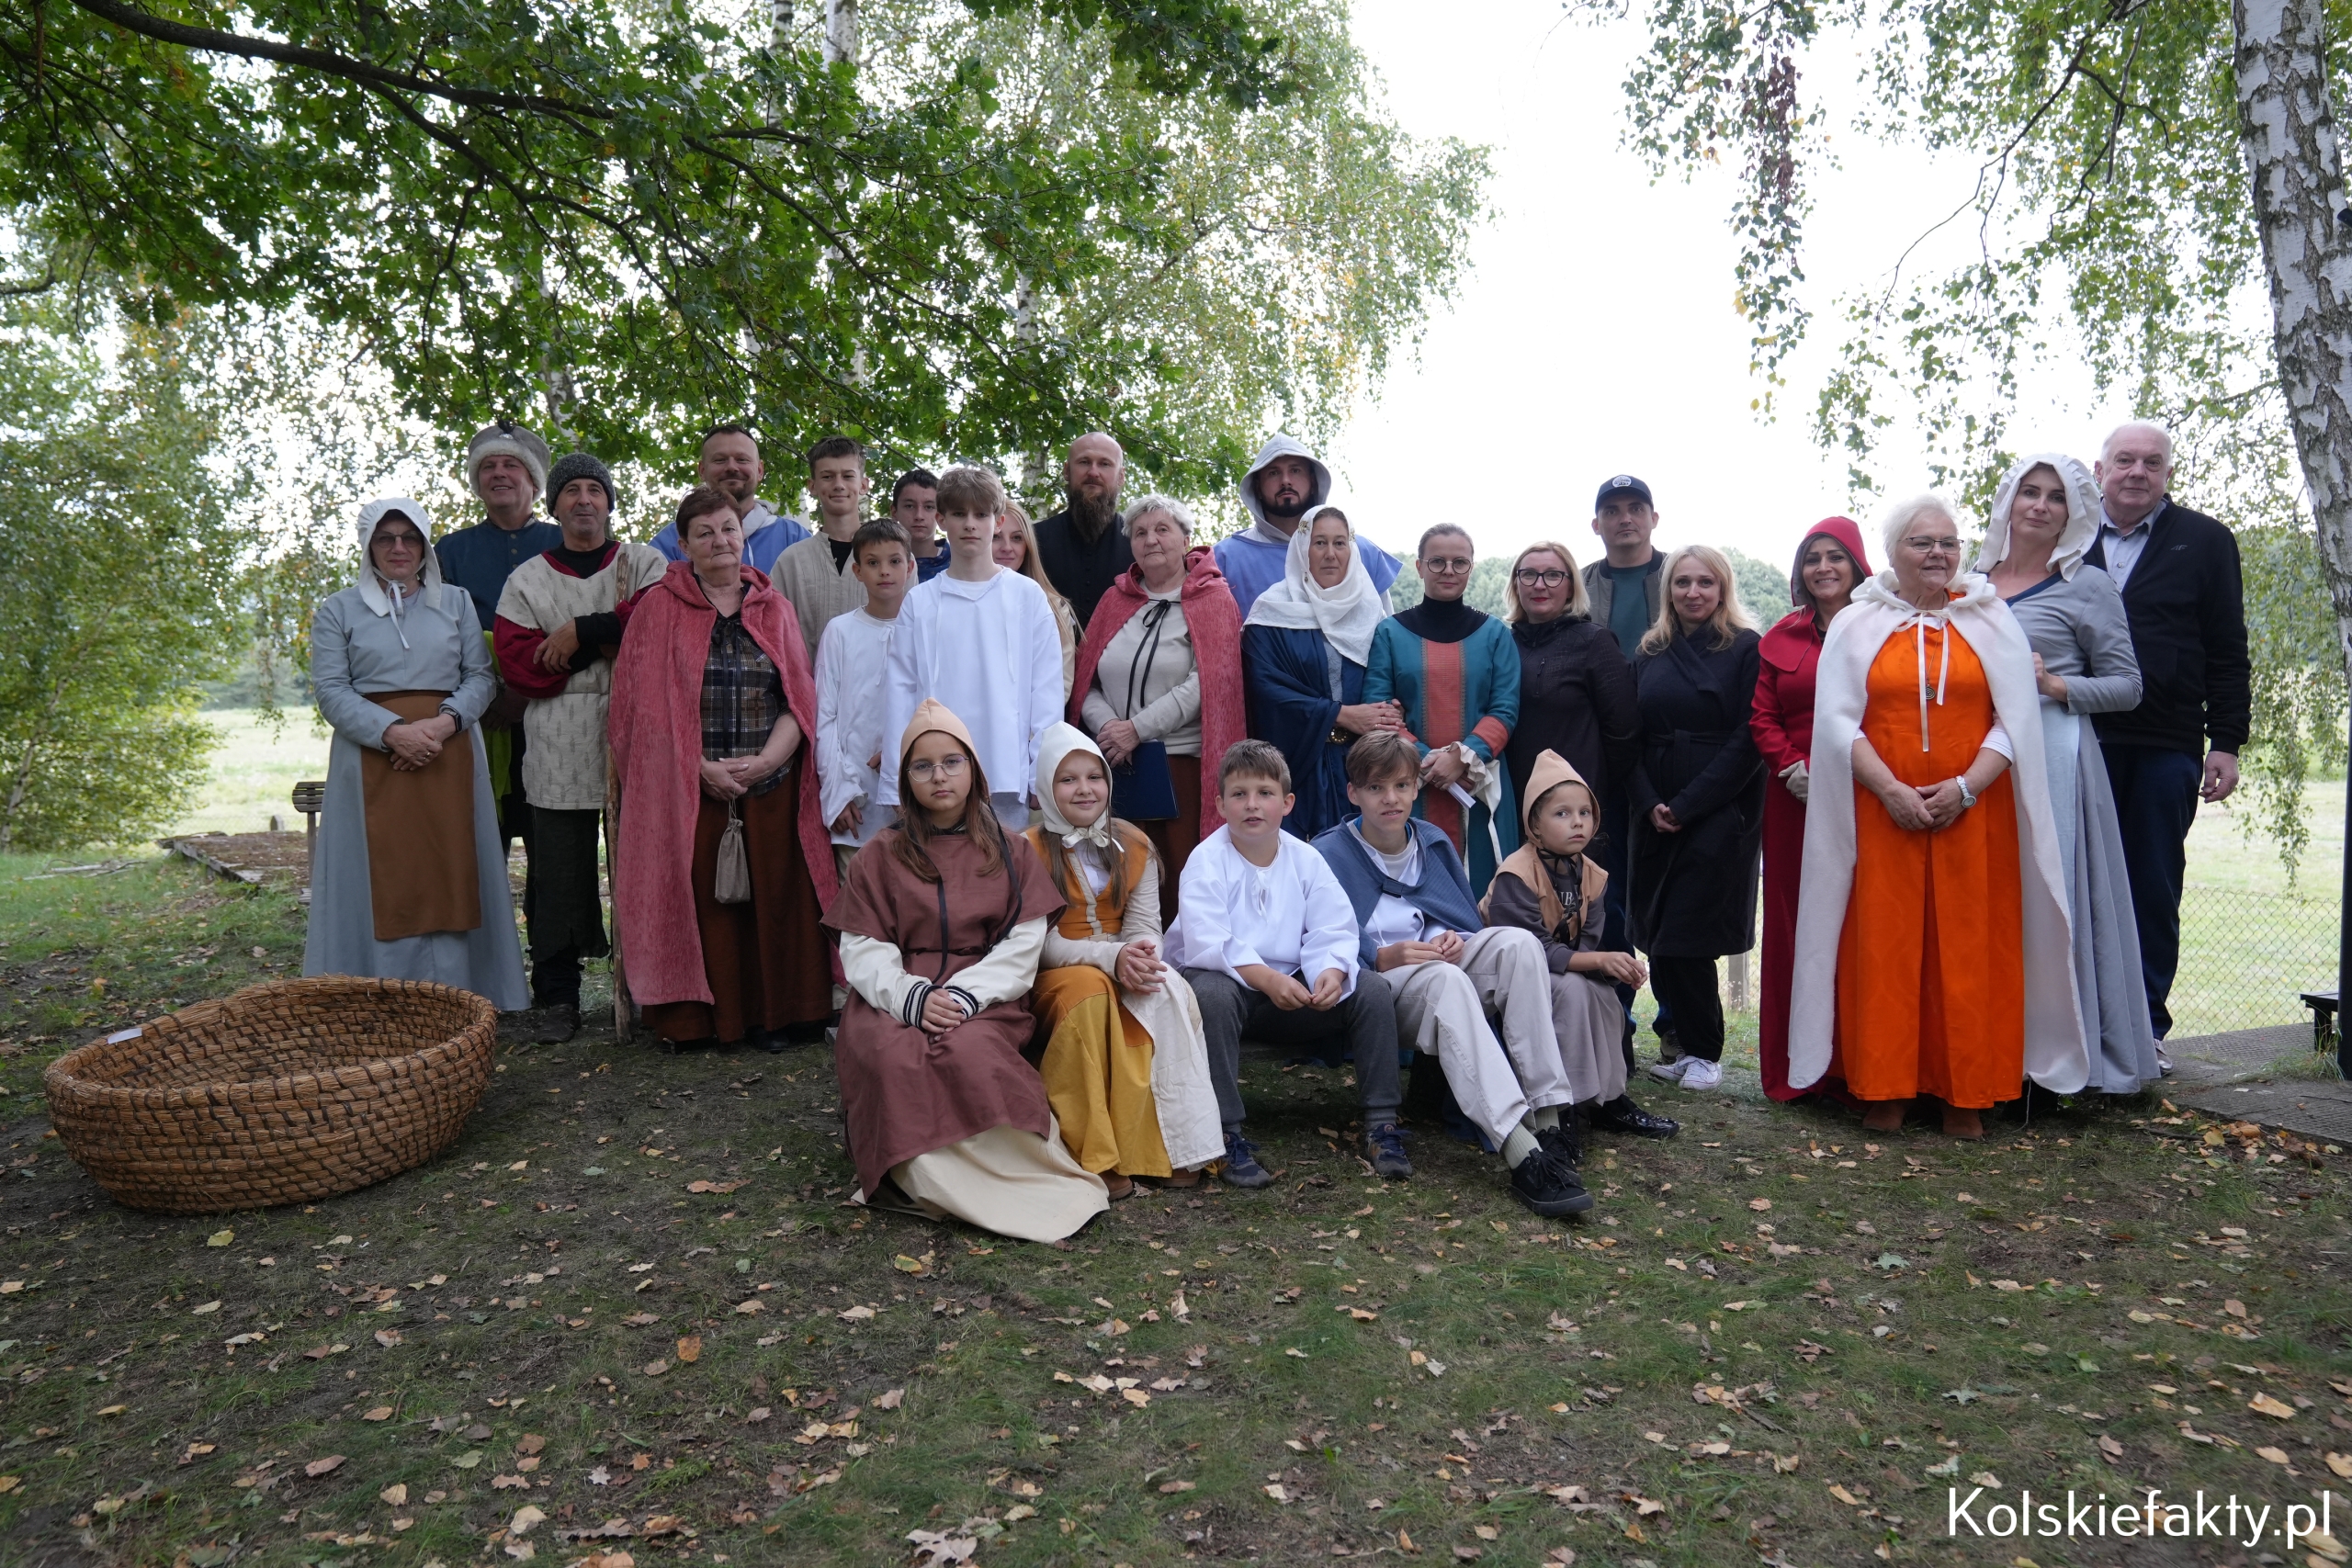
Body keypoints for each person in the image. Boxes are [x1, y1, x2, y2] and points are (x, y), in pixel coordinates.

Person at [1791, 494, 2086, 1137]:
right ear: (1893, 552)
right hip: (1881, 811)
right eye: (1922, 542)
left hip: (1975, 814)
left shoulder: (1991, 619)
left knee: (1971, 945)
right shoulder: (1858, 623)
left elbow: (2017, 720)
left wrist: (1966, 788)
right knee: (1885, 944)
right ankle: (1886, 1087)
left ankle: (1966, 1092)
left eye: (1948, 542)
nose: (1938, 553)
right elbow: (1837, 724)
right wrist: (1891, 790)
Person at [825, 699, 1110, 1240]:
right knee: (892, 1055)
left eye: (951, 762)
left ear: (973, 769)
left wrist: (963, 997)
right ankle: (922, 1181)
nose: (939, 776)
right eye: (923, 766)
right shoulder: (879, 855)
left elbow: (1023, 945)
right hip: (894, 994)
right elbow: (862, 946)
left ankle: (1011, 1184)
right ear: (905, 780)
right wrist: (911, 998)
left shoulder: (1011, 852)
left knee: (970, 1052)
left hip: (984, 995)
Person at [1314, 732, 1595, 1216]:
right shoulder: (1329, 854)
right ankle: (1520, 1150)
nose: (1390, 798)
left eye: (1401, 785)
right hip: (1380, 989)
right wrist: (1379, 956)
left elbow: (1457, 914)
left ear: (1415, 789)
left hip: (1441, 966)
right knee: (1445, 982)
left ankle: (1549, 1122)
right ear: (1353, 793)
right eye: (1376, 787)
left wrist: (1452, 937)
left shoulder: (1431, 840)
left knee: (1518, 944)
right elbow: (1318, 938)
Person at [609, 488, 838, 1052]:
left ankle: (777, 1017)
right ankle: (701, 1022)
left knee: (776, 899)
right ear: (684, 545)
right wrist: (698, 768)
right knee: (702, 904)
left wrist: (769, 760)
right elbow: (640, 710)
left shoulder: (774, 608)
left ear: (743, 536)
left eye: (729, 529)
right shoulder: (658, 609)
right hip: (689, 789)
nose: (720, 541)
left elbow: (798, 699)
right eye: (704, 533)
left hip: (771, 783)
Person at [1979, 454, 2158, 1095]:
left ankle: (2052, 1057)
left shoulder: (2089, 586)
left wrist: (2053, 684)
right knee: (1983, 901)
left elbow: (2128, 686)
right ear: (2008, 502)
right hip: (1971, 761)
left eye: (2056, 497)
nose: (2040, 505)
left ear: (2073, 513)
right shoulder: (1970, 582)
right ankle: (1979, 1047)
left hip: (2053, 756)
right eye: (2029, 492)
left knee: (2048, 904)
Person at [305, 499, 528, 1010]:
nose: (399, 547)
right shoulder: (338, 609)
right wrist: (391, 733)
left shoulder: (456, 603)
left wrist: (442, 725)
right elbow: (331, 690)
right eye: (386, 538)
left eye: (410, 537)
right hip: (370, 760)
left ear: (426, 545)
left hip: (450, 754)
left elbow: (479, 678)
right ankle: (380, 999)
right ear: (369, 547)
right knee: (383, 877)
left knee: (452, 871)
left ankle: (465, 998)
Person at [1166, 739, 1410, 1188]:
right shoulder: (1206, 860)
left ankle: (1382, 1123)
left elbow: (1332, 927)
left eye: (1265, 793)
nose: (1252, 804)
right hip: (1233, 993)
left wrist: (1329, 974)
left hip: (1294, 994)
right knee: (1211, 992)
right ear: (1220, 804)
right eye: (1239, 794)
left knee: (1371, 989)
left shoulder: (1306, 859)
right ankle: (1224, 1133)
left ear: (1287, 802)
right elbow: (1207, 940)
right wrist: (1267, 979)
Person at [2084, 421, 2252, 1050]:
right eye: (2124, 460)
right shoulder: (2067, 539)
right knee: (2073, 884)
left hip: (2166, 743)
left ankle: (2144, 1031)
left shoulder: (2205, 541)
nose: (2137, 472)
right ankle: (2073, 1032)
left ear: (2168, 474)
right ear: (2099, 471)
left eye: (2152, 462)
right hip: (2077, 737)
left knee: (2151, 886)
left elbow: (2227, 649)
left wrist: (2226, 740)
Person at [492, 451, 667, 1036]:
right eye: (572, 491)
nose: (584, 500)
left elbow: (658, 631)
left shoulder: (643, 564)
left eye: (595, 489)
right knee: (558, 872)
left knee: (642, 865)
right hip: (556, 737)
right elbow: (520, 664)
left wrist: (577, 632)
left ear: (609, 502)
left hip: (636, 731)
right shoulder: (528, 580)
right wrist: (609, 639)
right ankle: (559, 995)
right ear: (555, 505)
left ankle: (647, 989)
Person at [1023, 724, 1223, 1198]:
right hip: (1055, 975)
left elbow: (1145, 924)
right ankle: (1093, 1153)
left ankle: (1172, 1148)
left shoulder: (1132, 842)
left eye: (1094, 776)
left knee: (1165, 986)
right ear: (1046, 787)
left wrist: (1141, 956)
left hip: (1120, 959)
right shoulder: (1027, 850)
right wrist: (1110, 958)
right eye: (1068, 779)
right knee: (1090, 992)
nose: (1084, 789)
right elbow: (1039, 945)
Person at [1483, 750, 1679, 1139]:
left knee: (1604, 996)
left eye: (1585, 812)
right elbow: (1530, 949)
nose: (1577, 822)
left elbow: (1584, 945)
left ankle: (1609, 1100)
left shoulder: (1593, 876)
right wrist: (1598, 961)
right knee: (1573, 991)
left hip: (1556, 969)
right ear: (1534, 826)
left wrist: (1609, 967)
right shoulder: (1515, 875)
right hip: (1510, 974)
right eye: (1562, 813)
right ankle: (1565, 1106)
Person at [1628, 546, 1765, 1095]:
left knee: (1690, 929)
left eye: (1705, 582)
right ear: (1668, 591)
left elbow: (1750, 737)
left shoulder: (1746, 649)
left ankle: (1705, 1051)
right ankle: (1686, 1046)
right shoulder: (1650, 651)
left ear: (1722, 588)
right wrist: (1647, 801)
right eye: (1682, 582)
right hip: (1654, 806)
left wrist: (1688, 805)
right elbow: (1629, 735)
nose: (1693, 592)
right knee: (1659, 931)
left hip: (1719, 807)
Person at [1070, 495, 1248, 911]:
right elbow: (1086, 679)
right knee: (1117, 880)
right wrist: (1110, 728)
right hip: (1115, 764)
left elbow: (1208, 683)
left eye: (1162, 530)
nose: (1150, 540)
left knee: (1177, 884)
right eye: (1140, 532)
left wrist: (1136, 729)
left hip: (1179, 769)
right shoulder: (1115, 600)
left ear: (1186, 540)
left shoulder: (1213, 599)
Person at [1749, 517, 1872, 1102]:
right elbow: (1762, 717)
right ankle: (1799, 1068)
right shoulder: (1783, 635)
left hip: (1869, 793)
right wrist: (1793, 768)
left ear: (1858, 564)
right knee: (1796, 923)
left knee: (1861, 922)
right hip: (1793, 797)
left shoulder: (1884, 625)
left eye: (1835, 557)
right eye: (1812, 558)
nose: (1823, 568)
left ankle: (1860, 1064)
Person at [879, 465, 1063, 830]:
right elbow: (899, 695)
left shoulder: (1026, 596)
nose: (970, 525)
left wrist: (1041, 773)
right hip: (936, 777)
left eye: (981, 514)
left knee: (1006, 861)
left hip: (1005, 772)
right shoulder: (921, 602)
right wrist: (895, 780)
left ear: (998, 521)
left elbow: (1046, 691)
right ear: (942, 519)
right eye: (959, 514)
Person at [1363, 525, 1521, 889]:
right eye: (1437, 562)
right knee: (1413, 892)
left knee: (1484, 892)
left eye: (1459, 562)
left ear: (1471, 568)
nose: (1448, 570)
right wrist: (1429, 760)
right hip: (1407, 783)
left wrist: (1463, 757)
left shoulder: (1496, 634)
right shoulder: (1390, 633)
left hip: (1479, 782)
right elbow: (1378, 709)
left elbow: (1505, 708)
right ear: (1419, 567)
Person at [435, 421, 560, 863]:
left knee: (554, 849)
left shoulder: (565, 542)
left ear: (534, 482)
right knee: (481, 849)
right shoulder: (450, 550)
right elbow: (439, 633)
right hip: (478, 718)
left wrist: (526, 695)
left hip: (555, 715)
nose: (499, 473)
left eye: (511, 465)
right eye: (489, 467)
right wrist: (487, 697)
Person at [1578, 474, 1673, 1056]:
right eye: (1612, 510)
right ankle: (1615, 1021)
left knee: (1666, 892)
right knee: (1606, 892)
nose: (1625, 519)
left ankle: (1678, 1024)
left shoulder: (1682, 574)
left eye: (1636, 508)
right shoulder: (1582, 584)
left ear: (1653, 518)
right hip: (1602, 757)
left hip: (1669, 756)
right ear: (1597, 524)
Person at [1499, 540, 1639, 818]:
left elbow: (1624, 734)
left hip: (1573, 809)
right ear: (1516, 584)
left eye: (1553, 575)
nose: (1540, 585)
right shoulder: (1503, 645)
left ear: (1571, 587)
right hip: (1511, 802)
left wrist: (1589, 788)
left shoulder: (1594, 642)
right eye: (1529, 575)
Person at [817, 519, 917, 884]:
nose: (884, 571)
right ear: (857, 571)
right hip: (857, 799)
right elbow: (824, 717)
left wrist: (901, 750)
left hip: (915, 797)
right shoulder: (840, 632)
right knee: (859, 902)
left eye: (894, 561)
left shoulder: (924, 631)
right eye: (873, 563)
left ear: (910, 566)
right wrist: (837, 793)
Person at [1214, 434, 1400, 615]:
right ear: (1257, 487)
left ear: (1313, 482)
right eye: (1273, 473)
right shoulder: (1223, 559)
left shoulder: (1359, 551)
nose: (1285, 481)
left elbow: (1385, 627)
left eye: (1295, 470)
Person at [770, 435, 876, 660]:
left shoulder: (894, 558)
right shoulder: (791, 562)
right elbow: (774, 635)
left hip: (878, 680)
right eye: (827, 476)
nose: (838, 485)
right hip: (807, 680)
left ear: (863, 485)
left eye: (848, 476)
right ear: (812, 486)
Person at [650, 423, 809, 572]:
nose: (732, 467)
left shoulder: (794, 538)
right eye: (720, 460)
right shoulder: (671, 541)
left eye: (742, 460)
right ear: (702, 470)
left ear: (760, 470)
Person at [1030, 433, 1133, 625]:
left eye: (1105, 464)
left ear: (1121, 476)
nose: (1093, 472)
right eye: (1084, 462)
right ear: (1067, 471)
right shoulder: (1033, 540)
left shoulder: (1139, 543)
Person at [995, 501, 1082, 698]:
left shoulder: (1054, 607)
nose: (1007, 547)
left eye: (1017, 538)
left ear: (1028, 545)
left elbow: (1060, 686)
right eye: (996, 537)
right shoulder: (962, 600)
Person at [889, 468, 951, 582]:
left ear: (941, 514)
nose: (919, 516)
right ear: (894, 512)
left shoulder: (959, 562)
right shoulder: (879, 563)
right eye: (909, 506)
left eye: (929, 507)